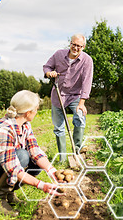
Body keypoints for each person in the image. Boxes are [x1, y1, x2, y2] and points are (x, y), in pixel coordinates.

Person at [0, 90, 63, 216]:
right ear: (28, 112)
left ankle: (9, 194)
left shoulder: (25, 125)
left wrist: (52, 171)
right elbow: (12, 168)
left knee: (35, 162)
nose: (37, 112)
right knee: (21, 155)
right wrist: (41, 185)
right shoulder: (4, 129)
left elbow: (35, 151)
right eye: (36, 109)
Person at [43, 33, 93, 161]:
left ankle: (77, 151)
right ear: (70, 43)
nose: (75, 48)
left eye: (79, 46)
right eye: (73, 44)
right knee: (59, 127)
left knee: (80, 118)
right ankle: (63, 158)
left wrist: (82, 103)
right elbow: (47, 67)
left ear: (83, 47)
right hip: (58, 94)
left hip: (75, 95)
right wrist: (49, 73)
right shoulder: (59, 54)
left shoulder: (87, 60)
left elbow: (87, 82)